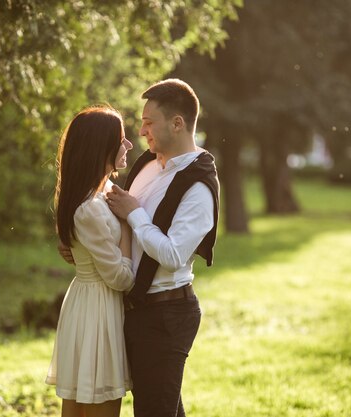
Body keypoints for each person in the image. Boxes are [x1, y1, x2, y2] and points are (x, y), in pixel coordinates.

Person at [105, 78, 220, 417]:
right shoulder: (146, 165)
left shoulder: (199, 186)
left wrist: (136, 213)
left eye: (148, 122)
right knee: (162, 408)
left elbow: (172, 255)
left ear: (177, 123)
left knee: (155, 410)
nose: (141, 131)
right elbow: (121, 222)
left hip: (167, 315)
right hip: (139, 311)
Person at [46, 105, 135, 417]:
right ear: (101, 147)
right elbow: (121, 278)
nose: (129, 145)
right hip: (97, 312)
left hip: (89, 304)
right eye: (121, 139)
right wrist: (127, 223)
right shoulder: (92, 207)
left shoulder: (103, 191)